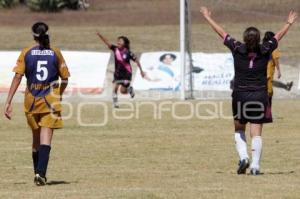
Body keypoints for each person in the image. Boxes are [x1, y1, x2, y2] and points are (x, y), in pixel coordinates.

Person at [200, 7, 297, 175]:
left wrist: (208, 18)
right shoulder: (266, 49)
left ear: (244, 39)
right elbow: (278, 36)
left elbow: (222, 33)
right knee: (256, 132)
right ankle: (255, 166)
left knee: (239, 129)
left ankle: (244, 157)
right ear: (259, 39)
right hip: (260, 94)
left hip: (240, 95)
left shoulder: (237, 48)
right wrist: (288, 23)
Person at [4, 22, 70, 185]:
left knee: (36, 138)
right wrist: (58, 95)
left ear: (34, 36)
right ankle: (40, 174)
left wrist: (8, 101)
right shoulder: (56, 52)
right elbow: (65, 79)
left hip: (31, 101)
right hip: (50, 101)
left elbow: (18, 77)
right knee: (46, 138)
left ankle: (37, 173)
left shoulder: (26, 52)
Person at [96, 33, 145, 108]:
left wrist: (141, 71)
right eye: (118, 41)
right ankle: (115, 103)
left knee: (123, 91)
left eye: (120, 41)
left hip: (127, 73)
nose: (118, 42)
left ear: (124, 43)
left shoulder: (128, 52)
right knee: (115, 87)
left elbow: (137, 61)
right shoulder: (115, 49)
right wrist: (100, 36)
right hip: (117, 73)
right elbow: (107, 42)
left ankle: (129, 89)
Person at [264, 31, 293, 104]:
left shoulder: (263, 46)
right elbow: (275, 59)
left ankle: (286, 86)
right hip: (269, 72)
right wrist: (279, 70)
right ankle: (267, 111)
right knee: (269, 92)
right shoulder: (273, 47)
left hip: (262, 71)